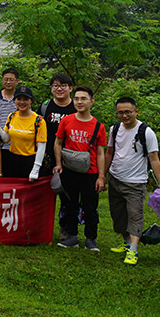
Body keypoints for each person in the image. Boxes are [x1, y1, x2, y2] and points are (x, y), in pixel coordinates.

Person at [103, 97, 160, 265]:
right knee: (118, 214)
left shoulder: (146, 132)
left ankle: (133, 250)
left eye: (128, 112)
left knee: (135, 215)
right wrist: (102, 175)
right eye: (120, 113)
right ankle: (126, 243)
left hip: (136, 182)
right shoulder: (115, 129)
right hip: (115, 178)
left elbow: (154, 159)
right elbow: (109, 152)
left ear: (136, 112)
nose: (124, 116)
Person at [53, 86, 108, 251]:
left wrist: (101, 176)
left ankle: (91, 239)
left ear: (91, 102)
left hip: (90, 172)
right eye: (76, 98)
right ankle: (72, 236)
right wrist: (58, 163)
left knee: (90, 206)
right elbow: (58, 143)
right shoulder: (66, 121)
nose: (79, 102)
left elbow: (100, 153)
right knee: (70, 203)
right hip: (69, 169)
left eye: (83, 98)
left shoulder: (98, 126)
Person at [0, 86, 46, 180]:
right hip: (12, 160)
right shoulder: (12, 116)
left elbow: (41, 147)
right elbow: (6, 139)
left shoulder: (38, 121)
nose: (22, 102)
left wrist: (35, 169)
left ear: (31, 101)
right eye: (19, 99)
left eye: (25, 99)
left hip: (30, 161)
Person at [38, 73, 76, 176]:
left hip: (71, 156)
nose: (59, 89)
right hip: (47, 155)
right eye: (55, 86)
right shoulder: (45, 106)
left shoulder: (76, 107)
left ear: (70, 88)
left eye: (63, 86)